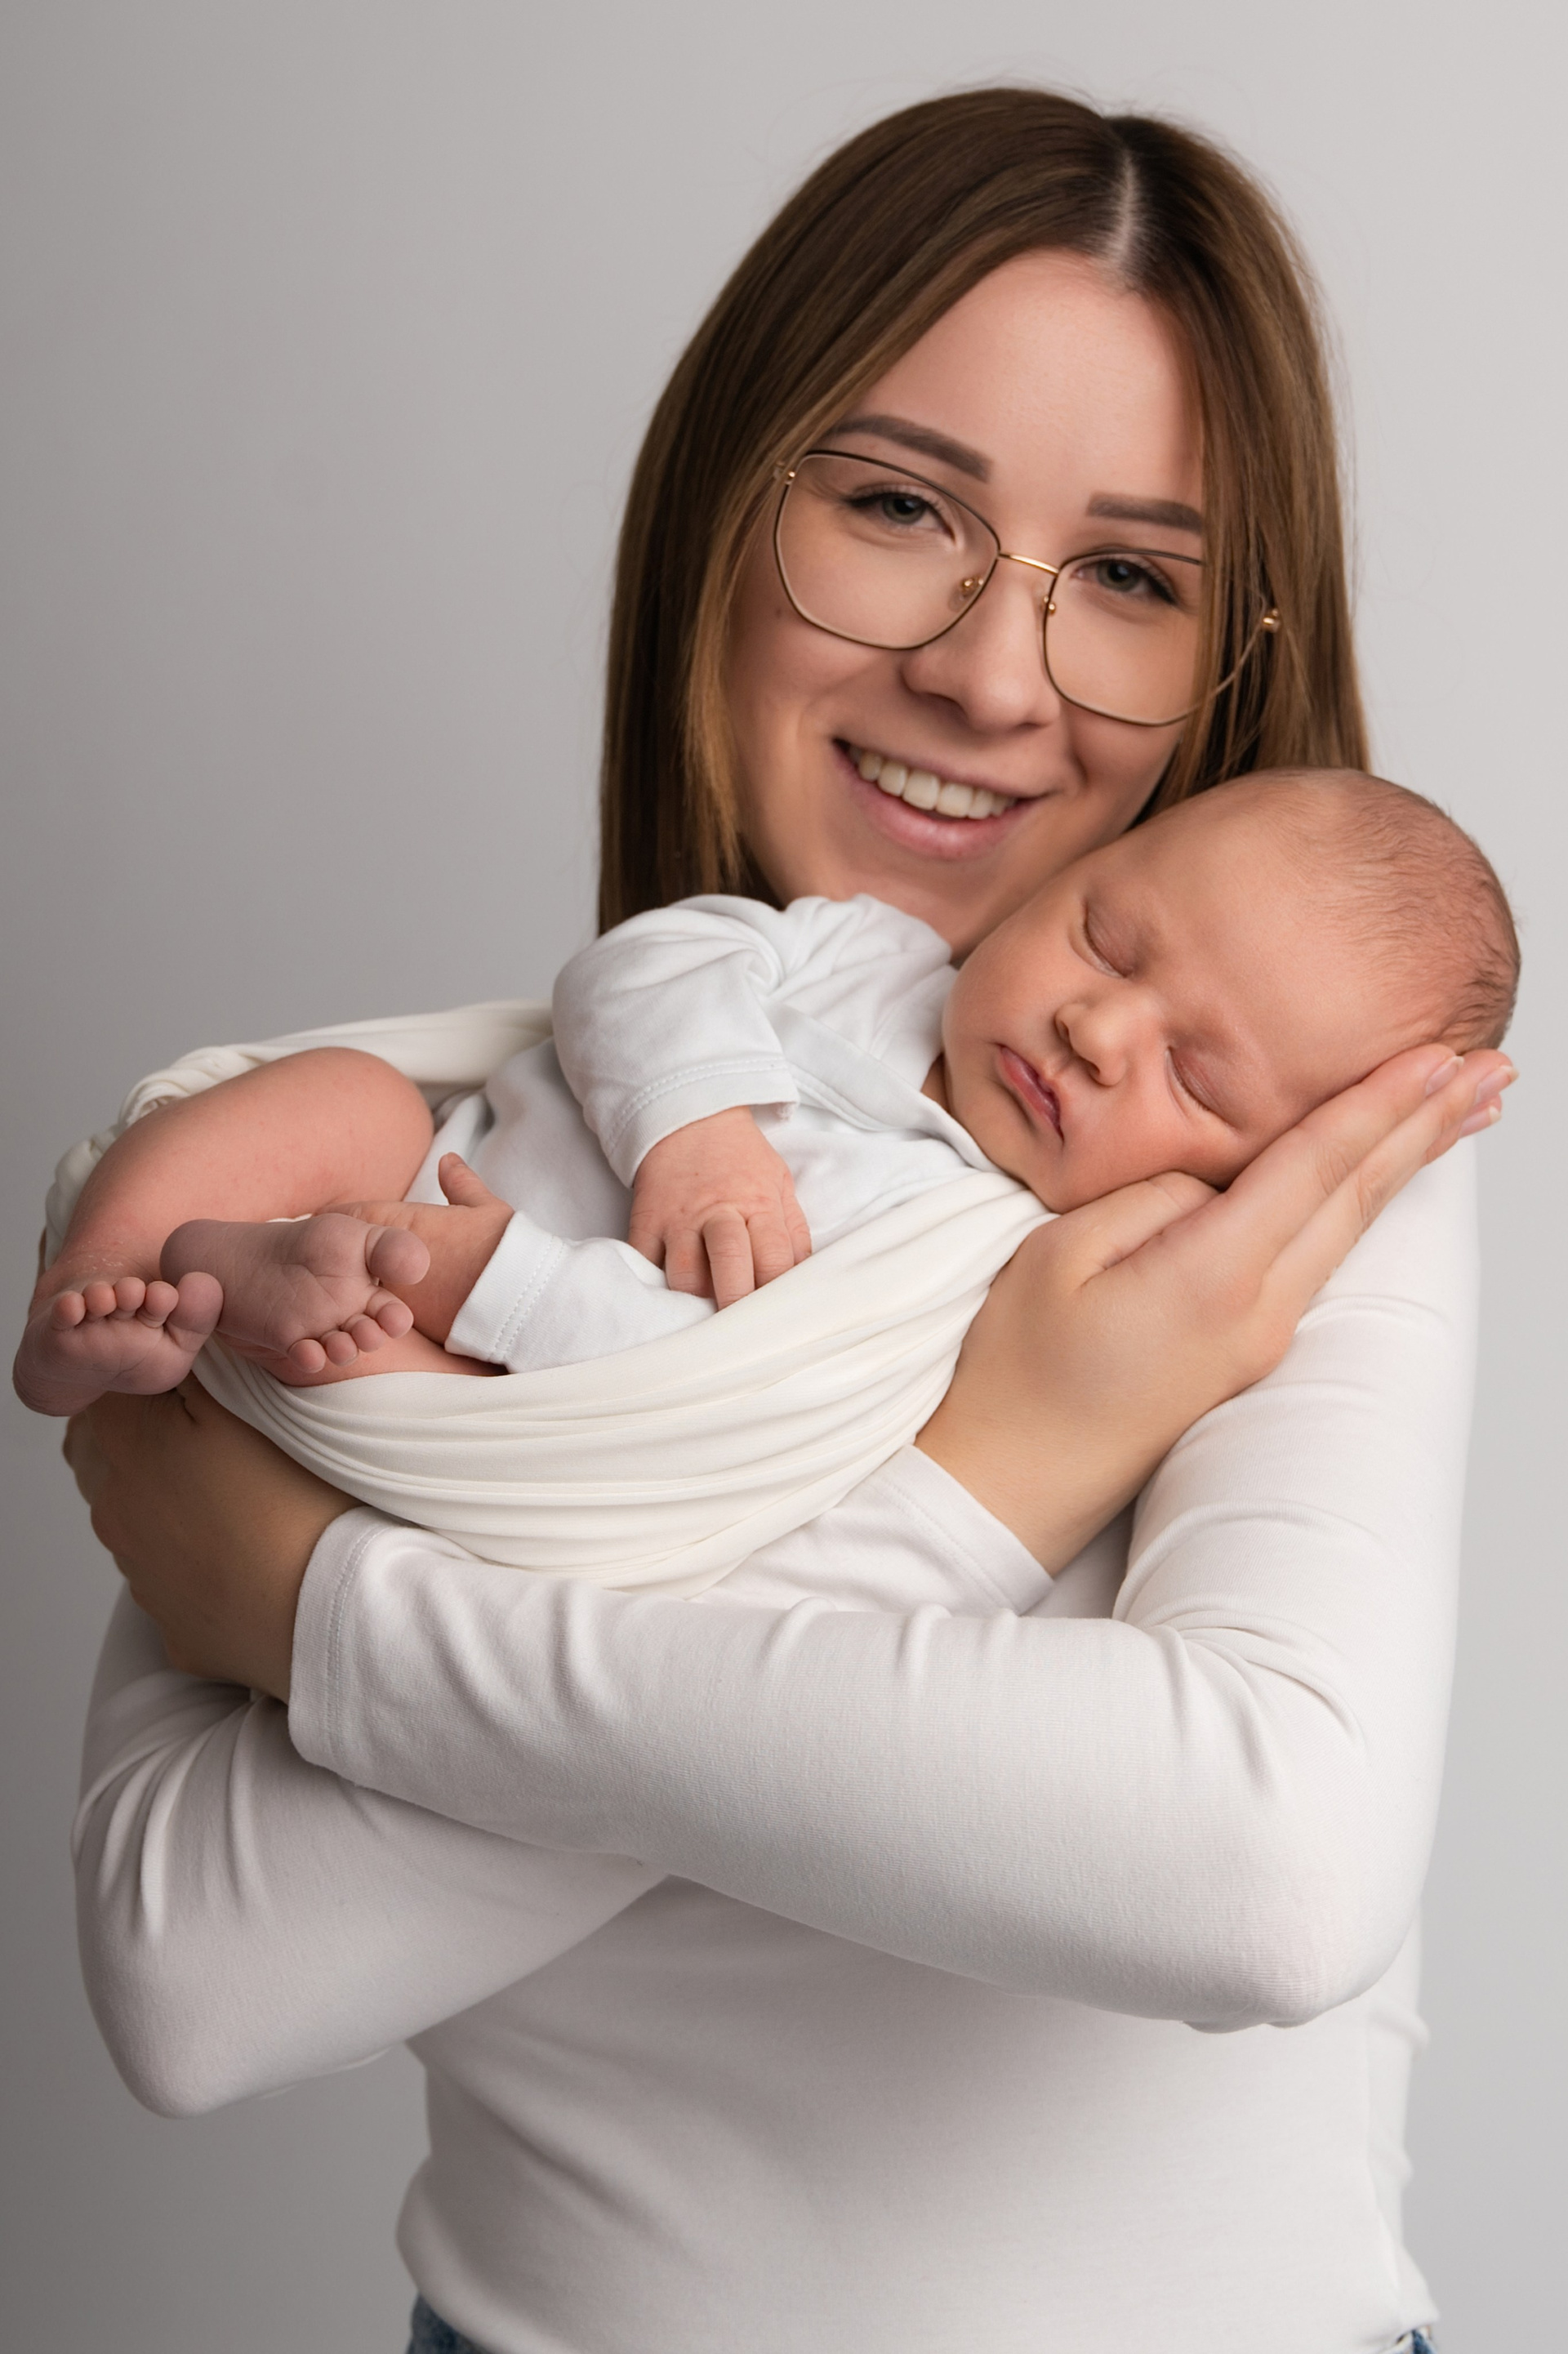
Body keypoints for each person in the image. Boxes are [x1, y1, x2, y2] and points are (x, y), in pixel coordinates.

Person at [61, 90, 1513, 2354]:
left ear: (1230, 663)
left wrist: (336, 1622)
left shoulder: (1275, 1174)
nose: (994, 677)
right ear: (727, 507)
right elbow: (198, 1975)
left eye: (1131, 577)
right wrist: (997, 1474)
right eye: (901, 507)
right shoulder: (483, 1132)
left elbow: (1262, 1873)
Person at [19, 770, 1516, 1429]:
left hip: (486, 1360)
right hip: (434, 1156)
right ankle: (108, 1276)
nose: (1097, 1022)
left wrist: (490, 1282)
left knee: (412, 1384)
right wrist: (696, 1127)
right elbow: (636, 966)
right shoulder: (873, 956)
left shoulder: (978, 1256)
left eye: (1193, 1073)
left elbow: (727, 1381)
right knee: (342, 1094)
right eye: (1106, 935)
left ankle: (253, 1286)